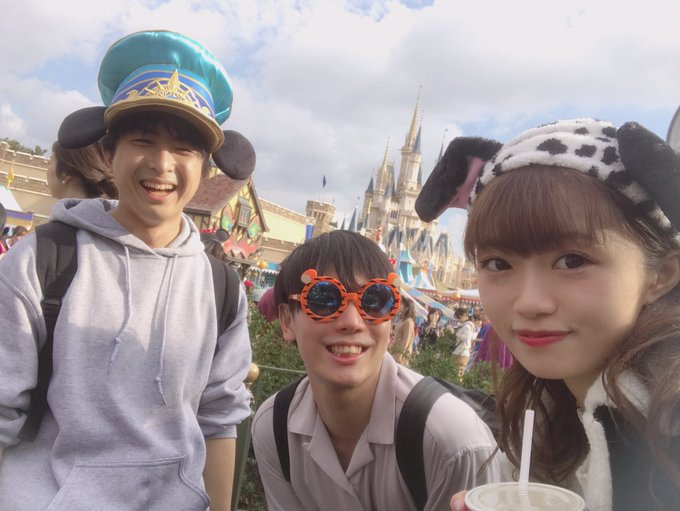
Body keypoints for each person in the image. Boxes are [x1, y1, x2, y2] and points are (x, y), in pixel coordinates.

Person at [0, 30, 256, 511]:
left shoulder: (220, 286)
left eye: (184, 148)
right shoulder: (43, 261)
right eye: (143, 140)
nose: (162, 164)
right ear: (108, 153)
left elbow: (219, 418)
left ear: (205, 168)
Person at [415, 118, 680, 511]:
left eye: (572, 261)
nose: (529, 302)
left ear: (661, 274)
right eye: (498, 263)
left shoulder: (667, 430)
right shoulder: (548, 411)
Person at [251, 230, 500, 511]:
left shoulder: (452, 441)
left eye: (375, 300)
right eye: (323, 299)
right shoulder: (275, 427)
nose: (352, 321)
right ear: (286, 321)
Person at [47, 140, 118, 199]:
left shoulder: (68, 212)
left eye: (50, 162)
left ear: (64, 173)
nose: (47, 169)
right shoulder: (107, 210)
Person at [451, 307, 475, 381]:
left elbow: (467, 340)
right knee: (457, 374)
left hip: (461, 353)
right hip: (460, 352)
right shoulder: (465, 326)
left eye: (459, 317)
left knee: (458, 375)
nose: (458, 320)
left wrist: (456, 334)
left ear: (463, 316)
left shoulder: (467, 327)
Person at [392, 296, 417, 365]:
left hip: (401, 355)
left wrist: (400, 354)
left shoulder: (409, 322)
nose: (400, 306)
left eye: (402, 304)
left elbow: (407, 340)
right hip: (396, 351)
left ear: (407, 307)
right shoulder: (402, 319)